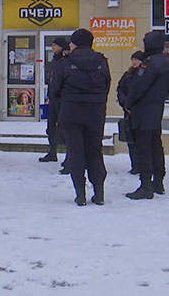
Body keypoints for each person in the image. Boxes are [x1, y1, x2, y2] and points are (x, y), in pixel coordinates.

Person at [50, 29, 110, 206]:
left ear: (73, 43)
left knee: (75, 151)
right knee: (95, 150)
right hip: (96, 112)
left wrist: (64, 102)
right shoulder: (101, 61)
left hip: (71, 111)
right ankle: (99, 192)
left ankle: (80, 194)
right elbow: (106, 84)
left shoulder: (65, 62)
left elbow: (54, 89)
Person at [125, 31, 169, 200]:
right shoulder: (164, 62)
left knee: (143, 148)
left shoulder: (149, 64)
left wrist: (128, 103)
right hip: (156, 109)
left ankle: (146, 184)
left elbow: (139, 86)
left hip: (143, 111)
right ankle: (158, 181)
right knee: (156, 146)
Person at [40, 37, 68, 163]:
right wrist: (49, 96)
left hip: (62, 100)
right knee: (51, 126)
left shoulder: (66, 61)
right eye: (52, 45)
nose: (53, 47)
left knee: (65, 128)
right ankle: (52, 152)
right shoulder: (54, 61)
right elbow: (52, 81)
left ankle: (69, 156)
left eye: (55, 45)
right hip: (53, 99)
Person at [116, 51, 144, 175]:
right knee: (130, 140)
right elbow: (120, 89)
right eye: (133, 59)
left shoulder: (145, 75)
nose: (134, 62)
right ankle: (135, 165)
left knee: (141, 140)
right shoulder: (127, 75)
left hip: (140, 112)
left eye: (137, 59)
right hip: (128, 111)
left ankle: (143, 165)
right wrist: (125, 103)